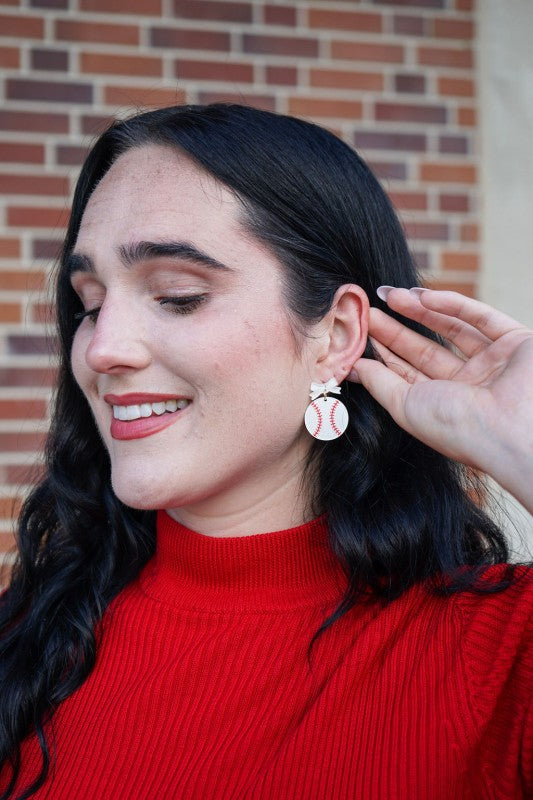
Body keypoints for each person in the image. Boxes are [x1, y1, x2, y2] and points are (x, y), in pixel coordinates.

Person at [0, 103, 531, 800]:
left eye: (177, 295)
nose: (101, 350)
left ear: (336, 336)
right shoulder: (25, 637)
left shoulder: (501, 659)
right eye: (90, 302)